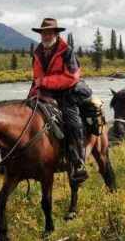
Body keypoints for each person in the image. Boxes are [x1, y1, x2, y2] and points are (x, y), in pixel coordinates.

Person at [28, 18, 88, 182]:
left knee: (73, 123)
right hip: (42, 95)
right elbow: (36, 79)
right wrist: (30, 96)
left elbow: (72, 77)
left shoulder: (66, 51)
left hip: (64, 96)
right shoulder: (37, 53)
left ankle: (78, 162)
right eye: (43, 33)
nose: (46, 36)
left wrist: (45, 82)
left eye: (49, 33)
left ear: (55, 33)